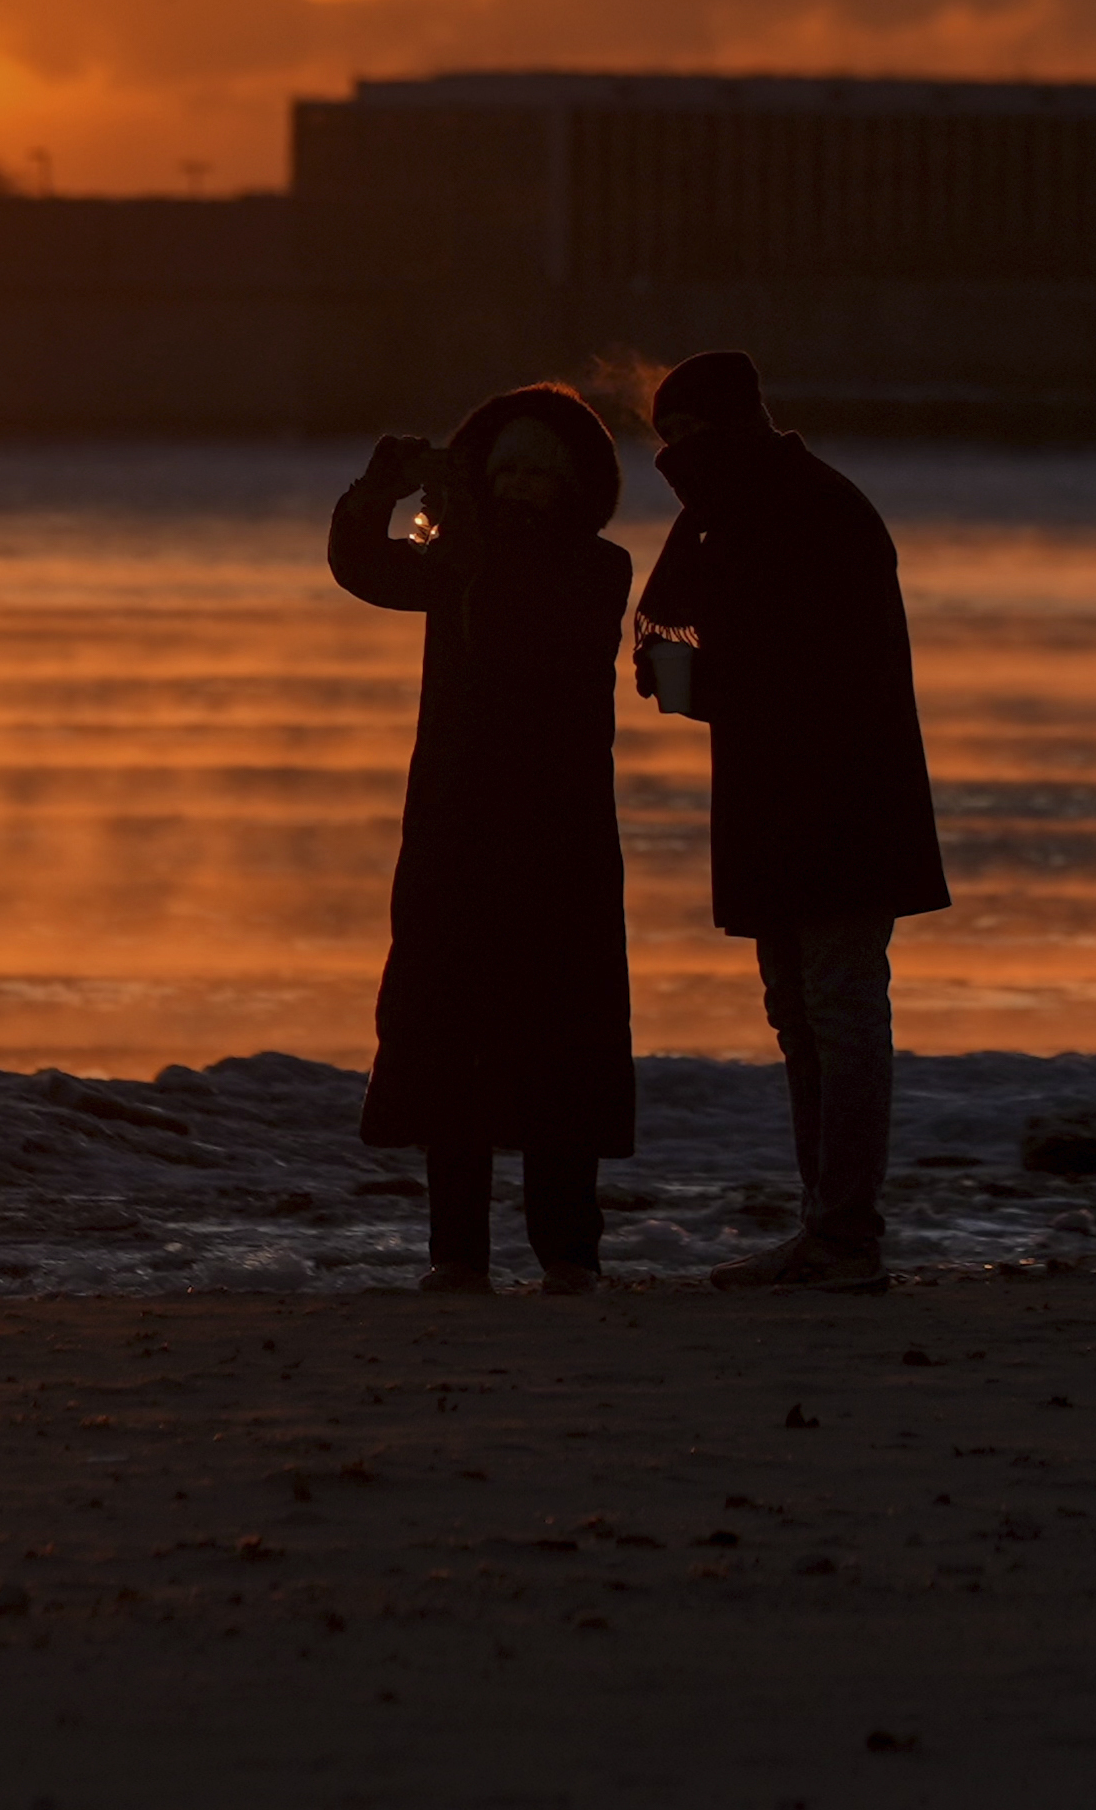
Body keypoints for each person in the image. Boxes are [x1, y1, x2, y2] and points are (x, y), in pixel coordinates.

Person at [632, 349, 946, 1291]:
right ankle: (830, 1227)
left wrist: (699, 681)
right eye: (668, 440)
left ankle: (845, 1234)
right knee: (803, 1016)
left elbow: (811, 667)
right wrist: (673, 662)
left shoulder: (814, 509)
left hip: (843, 797)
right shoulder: (727, 514)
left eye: (690, 435)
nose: (680, 455)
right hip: (781, 799)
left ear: (740, 422)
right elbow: (670, 616)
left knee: (839, 1013)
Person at [328, 383, 639, 1294]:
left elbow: (523, 618)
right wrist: (378, 485)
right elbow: (359, 564)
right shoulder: (451, 560)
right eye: (503, 469)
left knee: (561, 1042)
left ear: (577, 483)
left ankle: (568, 1253)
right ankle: (455, 1253)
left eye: (540, 473)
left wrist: (458, 524)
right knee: (447, 1038)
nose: (521, 487)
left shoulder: (597, 568)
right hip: (453, 833)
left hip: (561, 842)